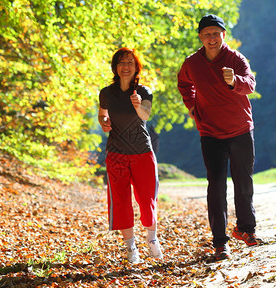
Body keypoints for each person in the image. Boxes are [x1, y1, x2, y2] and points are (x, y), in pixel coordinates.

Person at [177, 14, 260, 261]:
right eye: (207, 34)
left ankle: (246, 229)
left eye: (216, 33)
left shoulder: (235, 59)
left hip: (240, 129)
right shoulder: (192, 63)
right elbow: (184, 84)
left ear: (223, 35)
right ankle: (220, 242)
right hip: (211, 132)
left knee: (243, 183)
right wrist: (192, 107)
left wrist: (235, 80)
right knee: (216, 186)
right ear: (200, 38)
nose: (212, 38)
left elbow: (250, 84)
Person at [98, 47, 162, 263]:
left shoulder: (143, 91)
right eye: (121, 63)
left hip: (142, 152)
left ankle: (152, 240)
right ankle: (131, 248)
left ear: (136, 68)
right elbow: (103, 115)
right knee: (121, 200)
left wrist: (137, 106)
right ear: (115, 67)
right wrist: (104, 123)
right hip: (116, 153)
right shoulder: (106, 93)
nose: (126, 67)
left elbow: (145, 115)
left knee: (147, 199)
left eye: (130, 63)